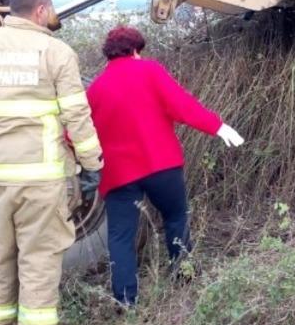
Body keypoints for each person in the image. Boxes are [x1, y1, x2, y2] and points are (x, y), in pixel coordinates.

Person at [0, 0, 102, 325]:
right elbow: (76, 114)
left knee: (0, 250)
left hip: (0, 175)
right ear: (41, 9)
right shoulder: (56, 52)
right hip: (43, 176)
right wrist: (91, 163)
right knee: (39, 254)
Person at [85, 26, 244, 308]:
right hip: (161, 165)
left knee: (120, 237)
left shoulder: (95, 89)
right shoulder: (149, 70)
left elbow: (77, 132)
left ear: (108, 55)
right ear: (136, 50)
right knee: (176, 218)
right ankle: (184, 278)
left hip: (119, 175)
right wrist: (217, 126)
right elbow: (182, 106)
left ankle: (125, 301)